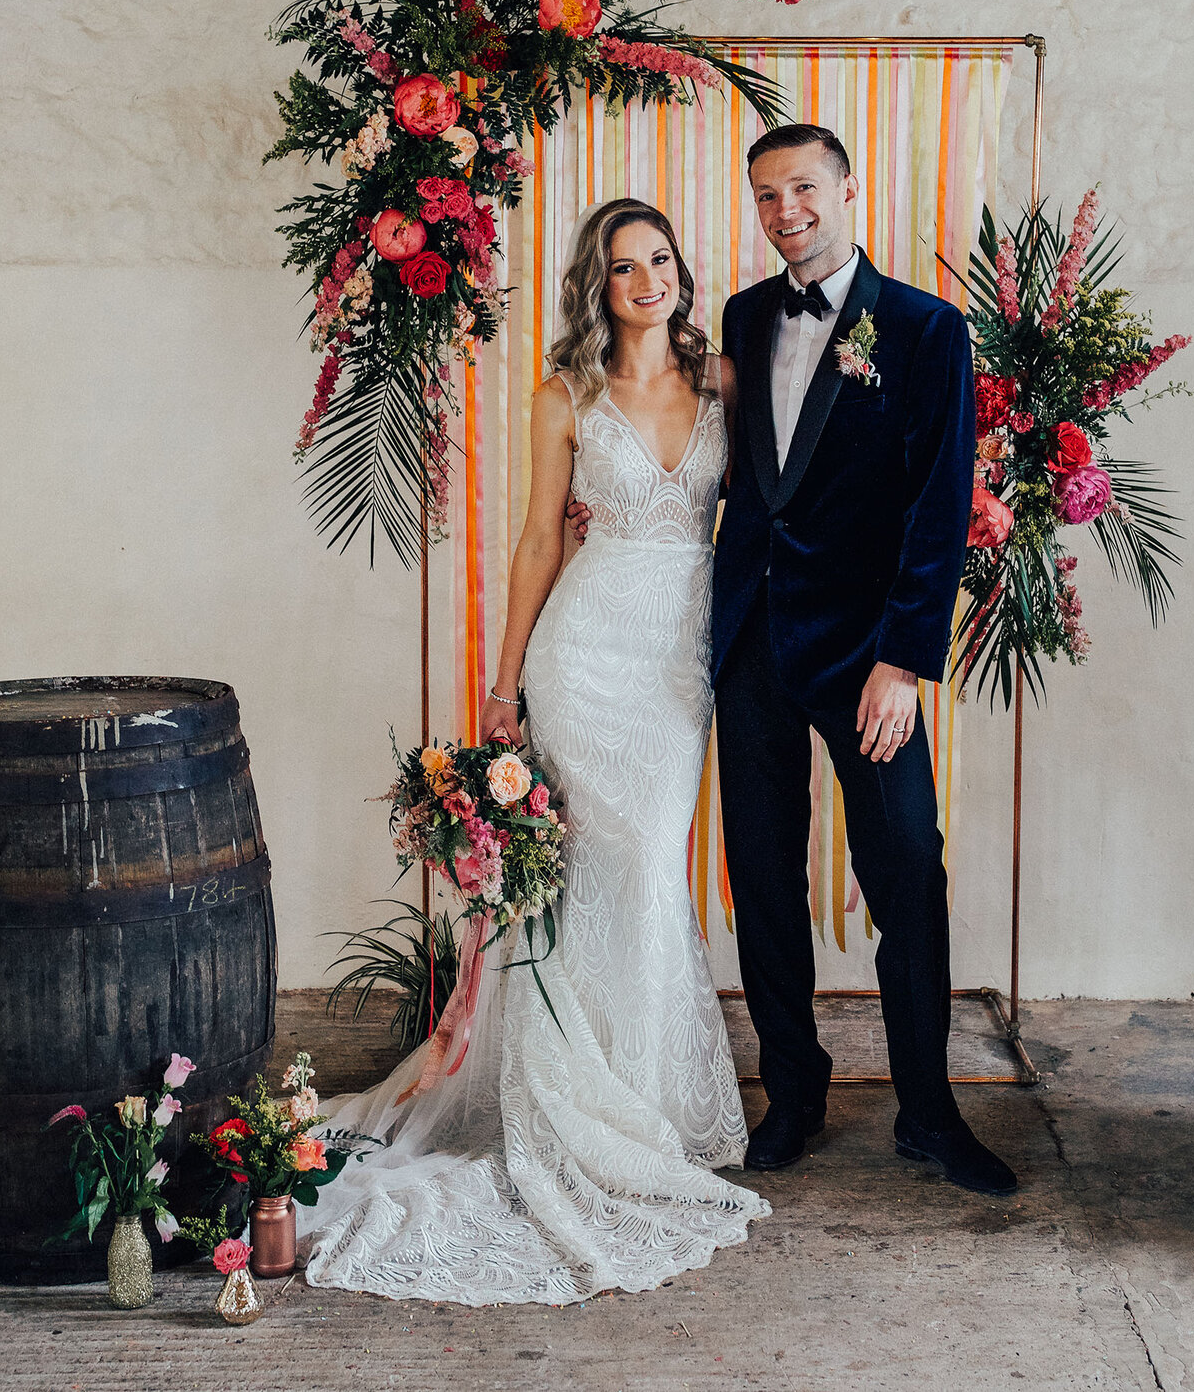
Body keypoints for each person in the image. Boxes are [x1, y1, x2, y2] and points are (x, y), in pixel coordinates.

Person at [300, 197, 767, 1306]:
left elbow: (758, 516)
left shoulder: (723, 386)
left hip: (675, 665)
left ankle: (640, 1102)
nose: (646, 279)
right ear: (595, 287)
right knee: (580, 883)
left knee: (649, 866)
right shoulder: (564, 395)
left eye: (659, 259)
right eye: (622, 267)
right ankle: (577, 1103)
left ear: (680, 274)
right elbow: (536, 537)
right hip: (581, 655)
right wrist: (506, 681)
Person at [712, 123, 1015, 1197]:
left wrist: (903, 660)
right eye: (764, 194)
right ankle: (790, 1092)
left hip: (865, 651)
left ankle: (928, 1113)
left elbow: (937, 507)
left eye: (801, 187)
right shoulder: (744, 317)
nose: (784, 209)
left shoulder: (927, 330)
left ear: (847, 188)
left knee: (905, 872)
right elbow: (743, 476)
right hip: (751, 633)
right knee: (762, 874)